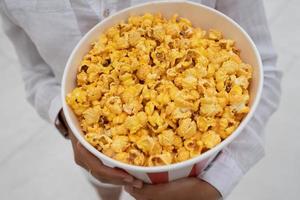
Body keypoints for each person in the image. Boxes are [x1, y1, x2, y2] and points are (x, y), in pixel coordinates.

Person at [0, 0, 281, 199]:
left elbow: (263, 69)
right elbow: (36, 74)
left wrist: (218, 181)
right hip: (93, 148)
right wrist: (66, 122)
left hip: (199, 167)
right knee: (104, 189)